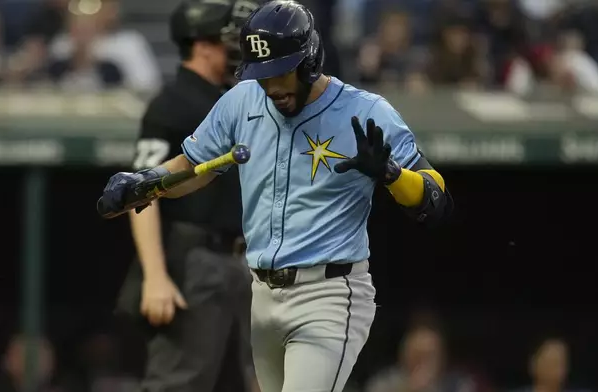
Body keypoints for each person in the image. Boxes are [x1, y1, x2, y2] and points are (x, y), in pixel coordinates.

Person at [100, 1, 453, 391]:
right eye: (262, 75)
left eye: (282, 73)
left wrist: (392, 175)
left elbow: (436, 199)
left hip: (328, 292)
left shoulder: (366, 111)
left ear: (310, 60)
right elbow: (193, 167)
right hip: (262, 294)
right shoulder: (243, 99)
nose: (273, 87)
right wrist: (146, 182)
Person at [112, 1, 260, 391]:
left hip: (246, 261)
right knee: (180, 383)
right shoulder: (171, 103)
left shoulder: (235, 101)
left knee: (260, 378)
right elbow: (141, 195)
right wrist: (155, 277)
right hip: (196, 261)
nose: (238, 47)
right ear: (203, 44)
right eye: (229, 38)